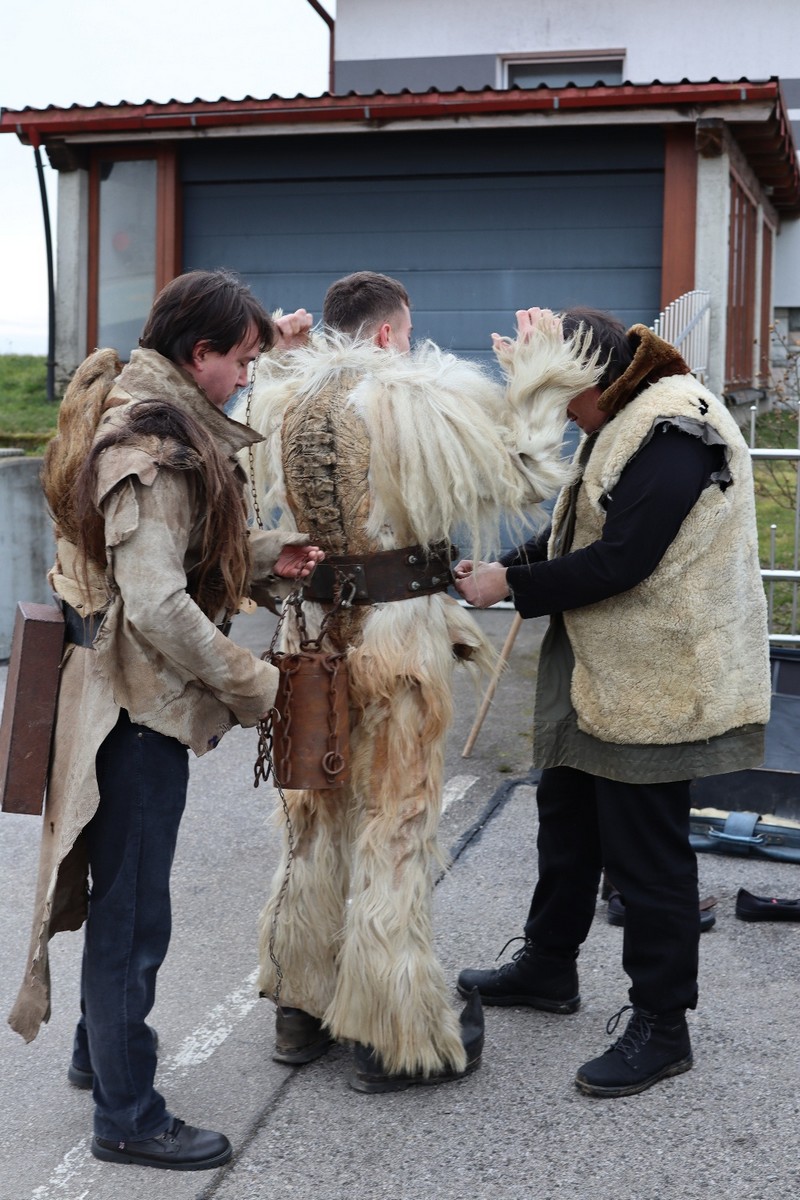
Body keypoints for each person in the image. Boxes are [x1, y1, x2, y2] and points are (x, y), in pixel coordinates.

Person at [244, 271, 602, 1093]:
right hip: (398, 637)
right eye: (408, 332)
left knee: (312, 813)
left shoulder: (281, 397)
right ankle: (391, 1035)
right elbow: (523, 472)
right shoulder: (412, 394)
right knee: (395, 824)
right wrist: (541, 377)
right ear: (388, 334)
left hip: (308, 635)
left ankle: (298, 1008)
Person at [8, 269, 323, 1171]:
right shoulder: (151, 442)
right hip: (132, 717)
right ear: (201, 355)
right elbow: (156, 604)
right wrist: (258, 685)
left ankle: (93, 1056)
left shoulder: (154, 406)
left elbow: (164, 552)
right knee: (133, 915)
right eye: (243, 360)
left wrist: (264, 553)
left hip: (124, 702)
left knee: (120, 898)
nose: (247, 377)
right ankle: (128, 1119)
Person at [454, 307, 771, 1098]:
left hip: (660, 681)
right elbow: (578, 529)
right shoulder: (625, 416)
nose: (559, 417)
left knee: (647, 858)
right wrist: (498, 566)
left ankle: (664, 1027)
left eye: (561, 400)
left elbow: (623, 559)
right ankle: (549, 966)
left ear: (591, 381)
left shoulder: (675, 432)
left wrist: (512, 587)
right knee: (566, 820)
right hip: (609, 671)